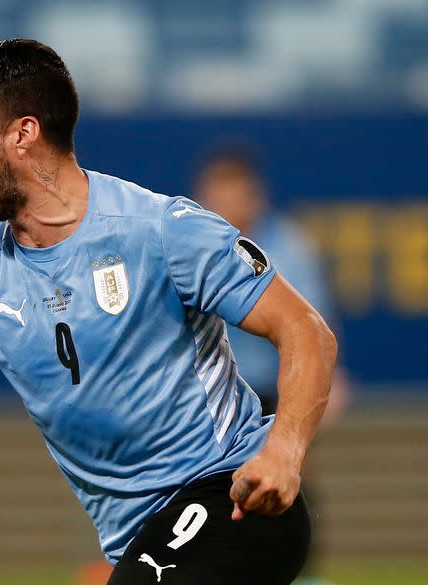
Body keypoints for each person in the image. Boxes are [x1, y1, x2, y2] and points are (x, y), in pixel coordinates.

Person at [0, 39, 337, 585]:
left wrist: (283, 454)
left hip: (231, 498)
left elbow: (306, 331)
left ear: (22, 133)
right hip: (144, 540)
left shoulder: (161, 229)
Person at [194, 145, 349, 585]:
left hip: (274, 387)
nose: (226, 203)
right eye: (217, 193)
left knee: (289, 475)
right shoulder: (190, 244)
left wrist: (331, 380)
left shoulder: (290, 246)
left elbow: (314, 323)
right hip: (210, 394)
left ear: (255, 194)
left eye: (235, 192)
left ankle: (302, 573)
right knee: (209, 489)